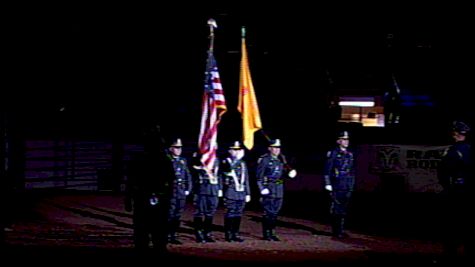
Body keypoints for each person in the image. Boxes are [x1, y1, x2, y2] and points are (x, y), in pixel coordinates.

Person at [124, 134, 172, 252]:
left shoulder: (165, 160)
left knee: (156, 229)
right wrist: (128, 199)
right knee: (143, 229)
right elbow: (130, 181)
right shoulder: (139, 160)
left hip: (159, 198)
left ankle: (156, 247)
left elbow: (171, 181)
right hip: (143, 197)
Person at [437, 121, 471, 261]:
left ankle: (450, 252)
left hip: (456, 192)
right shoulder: (469, 149)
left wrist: (448, 187)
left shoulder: (453, 151)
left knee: (452, 223)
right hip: (467, 192)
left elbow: (443, 172)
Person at [256, 139, 297, 241]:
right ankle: (267, 233)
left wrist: (289, 174)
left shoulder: (281, 160)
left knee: (275, 212)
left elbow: (281, 175)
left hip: (279, 188)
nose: (277, 150)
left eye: (278, 148)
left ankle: (272, 232)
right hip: (269, 188)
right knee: (268, 212)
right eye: (274, 147)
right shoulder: (264, 160)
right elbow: (259, 177)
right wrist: (262, 188)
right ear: (269, 148)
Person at [323, 130, 355, 238]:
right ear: (338, 141)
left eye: (347, 140)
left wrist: (351, 184)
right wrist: (327, 183)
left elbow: (351, 170)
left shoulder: (350, 154)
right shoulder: (333, 153)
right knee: (336, 207)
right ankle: (336, 231)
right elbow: (327, 169)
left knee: (344, 209)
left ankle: (341, 230)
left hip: (346, 184)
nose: (346, 142)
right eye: (344, 139)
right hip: (336, 183)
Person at [220, 141, 251, 242]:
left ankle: (235, 234)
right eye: (234, 150)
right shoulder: (226, 161)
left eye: (238, 150)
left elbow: (246, 178)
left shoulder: (242, 163)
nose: (236, 152)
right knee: (230, 212)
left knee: (238, 213)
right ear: (229, 151)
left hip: (241, 192)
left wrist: (248, 193)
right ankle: (228, 234)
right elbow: (226, 172)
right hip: (231, 191)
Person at [165, 138, 192, 245]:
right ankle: (166, 235)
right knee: (169, 214)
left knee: (178, 214)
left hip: (181, 191)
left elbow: (188, 175)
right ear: (171, 148)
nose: (179, 150)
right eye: (176, 148)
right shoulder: (167, 160)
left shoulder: (183, 160)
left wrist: (188, 189)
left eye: (180, 148)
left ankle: (174, 235)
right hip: (171, 191)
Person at [191, 152, 222, 243]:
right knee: (199, 212)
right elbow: (194, 169)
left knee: (211, 212)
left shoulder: (216, 160)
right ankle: (199, 233)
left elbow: (219, 175)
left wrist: (219, 188)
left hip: (213, 190)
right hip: (202, 189)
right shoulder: (199, 158)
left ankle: (207, 233)